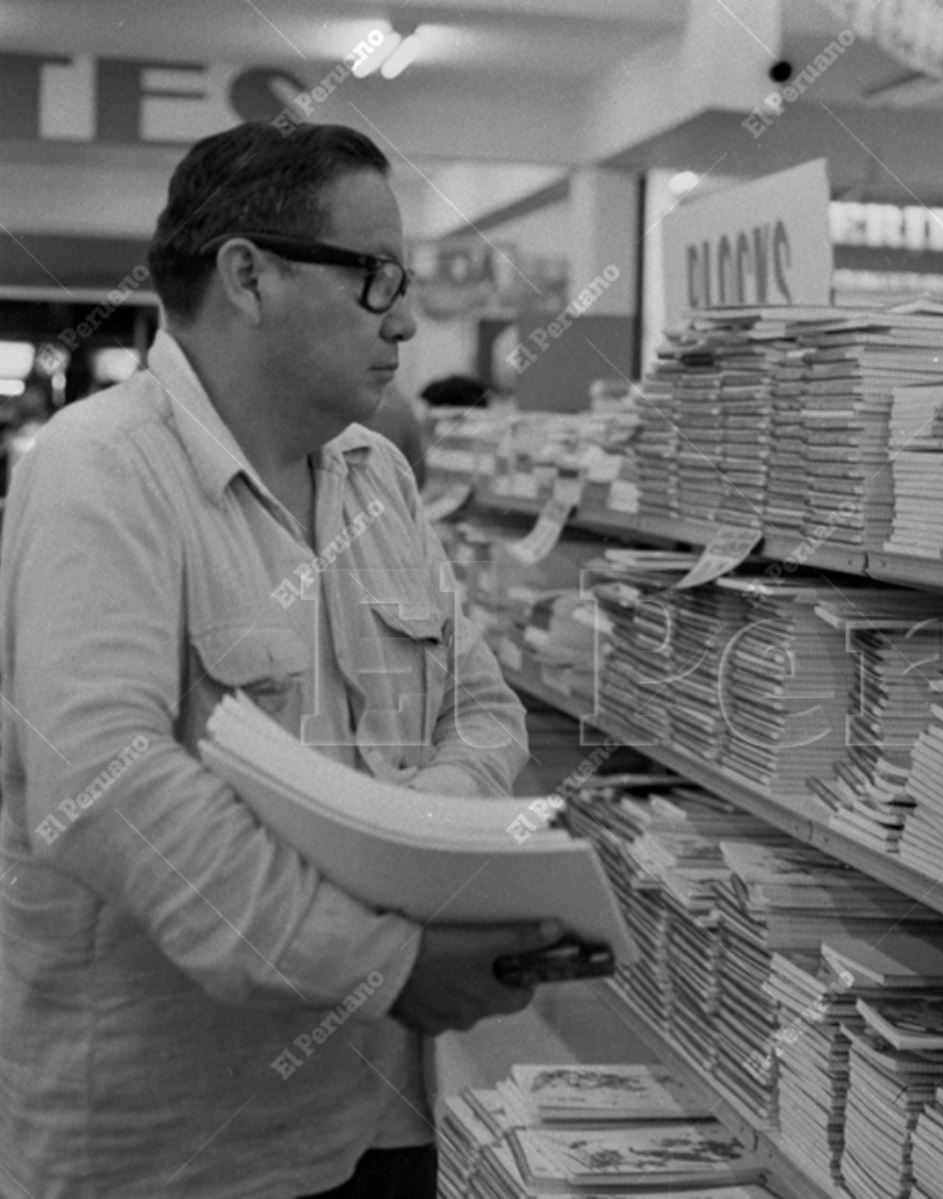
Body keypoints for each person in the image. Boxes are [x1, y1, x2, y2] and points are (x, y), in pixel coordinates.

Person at [0, 121, 563, 1198]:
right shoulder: (102, 472)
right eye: (375, 276)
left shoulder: (376, 478)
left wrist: (412, 840)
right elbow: (101, 784)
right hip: (173, 1149)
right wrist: (387, 958)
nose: (405, 317)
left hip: (378, 1111)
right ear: (248, 276)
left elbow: (483, 705)